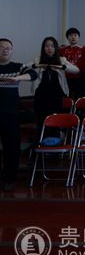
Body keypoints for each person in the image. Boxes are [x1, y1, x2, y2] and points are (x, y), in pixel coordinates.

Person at [0, 38, 37, 191]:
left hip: (11, 114)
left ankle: (9, 179)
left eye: (8, 48)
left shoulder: (18, 66)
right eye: (2, 47)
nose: (5, 50)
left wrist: (16, 78)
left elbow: (33, 74)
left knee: (12, 148)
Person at [30, 37, 79, 134]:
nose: (49, 48)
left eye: (52, 46)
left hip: (57, 95)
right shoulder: (38, 59)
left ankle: (55, 140)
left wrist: (61, 67)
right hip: (41, 95)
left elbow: (76, 70)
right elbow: (27, 67)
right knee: (41, 121)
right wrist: (38, 65)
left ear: (56, 48)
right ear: (43, 48)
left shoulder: (61, 59)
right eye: (47, 46)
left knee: (56, 121)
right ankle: (41, 141)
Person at [59, 27, 85, 99]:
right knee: (67, 98)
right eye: (71, 35)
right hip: (66, 78)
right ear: (67, 38)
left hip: (80, 77)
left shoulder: (83, 49)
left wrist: (82, 47)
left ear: (78, 37)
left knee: (80, 98)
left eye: (75, 35)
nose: (73, 37)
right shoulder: (63, 50)